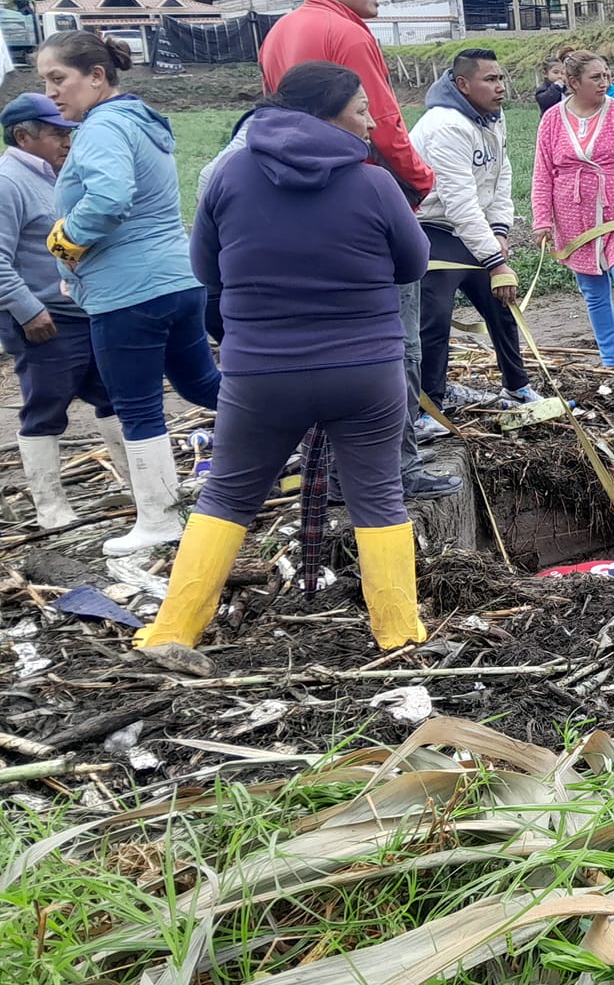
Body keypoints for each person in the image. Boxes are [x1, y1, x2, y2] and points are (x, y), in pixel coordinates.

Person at [141, 62, 429, 658]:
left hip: (259, 374)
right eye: (360, 110)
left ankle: (172, 631)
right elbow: (414, 264)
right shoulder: (375, 184)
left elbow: (204, 270)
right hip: (365, 372)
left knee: (226, 496)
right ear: (325, 115)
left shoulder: (227, 176)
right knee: (377, 495)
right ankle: (398, 633)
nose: (370, 122)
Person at [258, 0, 455, 501]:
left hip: (297, 206)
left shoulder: (278, 34)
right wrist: (417, 183)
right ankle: (397, 464)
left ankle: (336, 468)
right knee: (396, 336)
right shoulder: (347, 32)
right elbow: (384, 125)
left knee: (328, 338)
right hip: (362, 199)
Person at [38, 32, 220, 555]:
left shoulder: (102, 128)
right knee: (202, 384)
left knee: (136, 405)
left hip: (128, 293)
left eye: (58, 78)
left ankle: (160, 518)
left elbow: (111, 198)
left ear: (96, 76)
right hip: (179, 280)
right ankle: (290, 440)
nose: (51, 92)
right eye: (45, 81)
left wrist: (65, 240)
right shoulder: (143, 121)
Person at [1, 93, 124, 527]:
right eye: (56, 134)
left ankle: (134, 483)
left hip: (80, 310)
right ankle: (50, 506)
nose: (66, 142)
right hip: (43, 319)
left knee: (112, 395)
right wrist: (27, 310)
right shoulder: (8, 182)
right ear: (23, 136)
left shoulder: (53, 175)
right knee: (47, 405)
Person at [410, 48, 535, 411]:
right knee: (434, 321)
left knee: (502, 307)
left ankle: (517, 387)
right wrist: (495, 261)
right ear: (463, 84)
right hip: (432, 229)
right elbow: (457, 201)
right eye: (490, 79)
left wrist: (499, 231)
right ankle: (428, 408)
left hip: (473, 228)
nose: (501, 87)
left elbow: (500, 175)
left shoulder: (493, 117)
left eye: (501, 78)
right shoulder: (447, 126)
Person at [533, 52, 614, 372]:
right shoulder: (552, 119)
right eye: (596, 77)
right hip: (574, 217)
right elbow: (542, 172)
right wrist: (542, 220)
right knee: (593, 290)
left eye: (606, 75)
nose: (604, 82)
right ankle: (610, 359)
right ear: (573, 82)